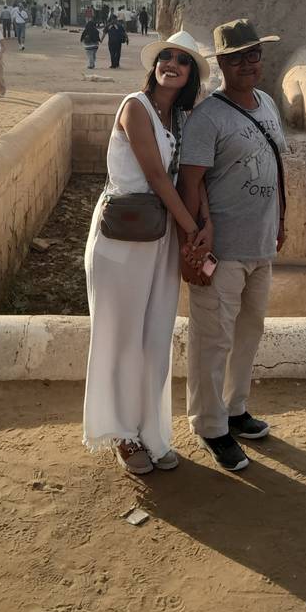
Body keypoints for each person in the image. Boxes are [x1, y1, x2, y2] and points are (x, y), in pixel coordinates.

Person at [83, 31, 212, 474]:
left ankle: (150, 431)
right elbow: (157, 177)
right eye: (166, 56)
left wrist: (203, 223)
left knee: (155, 337)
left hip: (158, 239)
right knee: (120, 339)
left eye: (182, 60)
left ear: (190, 74)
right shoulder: (135, 108)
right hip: (123, 237)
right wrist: (193, 228)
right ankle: (122, 433)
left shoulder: (177, 117)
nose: (171, 63)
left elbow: (185, 178)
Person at [178, 18, 287, 473]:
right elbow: (190, 183)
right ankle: (209, 424)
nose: (248, 63)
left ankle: (235, 408)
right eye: (237, 57)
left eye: (254, 54)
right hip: (222, 251)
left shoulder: (267, 104)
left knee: (248, 332)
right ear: (221, 63)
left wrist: (283, 217)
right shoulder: (208, 117)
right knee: (212, 339)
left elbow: (278, 166)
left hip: (261, 244)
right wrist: (195, 241)